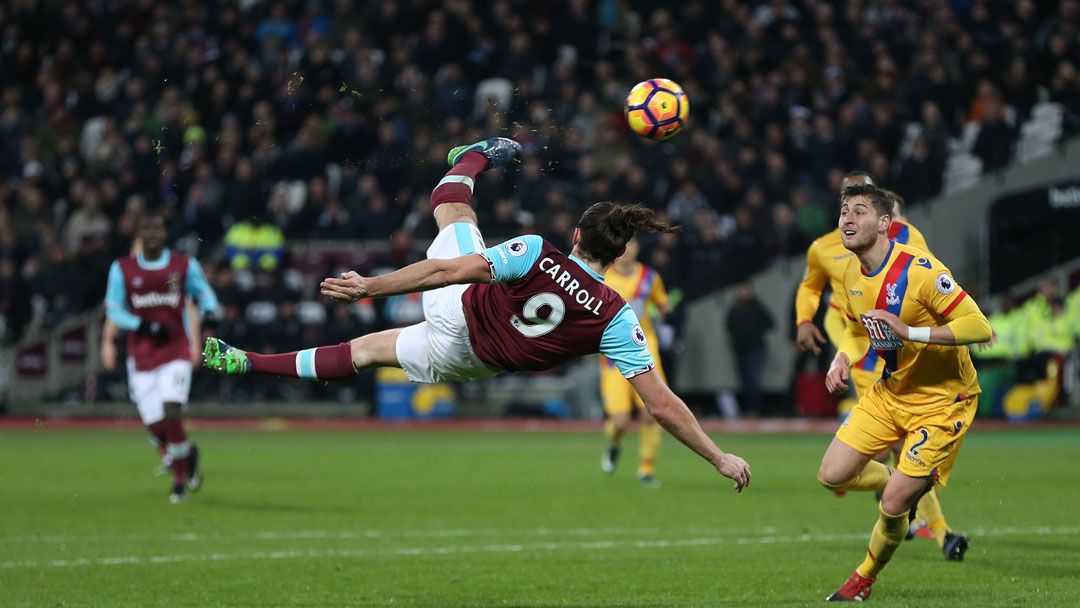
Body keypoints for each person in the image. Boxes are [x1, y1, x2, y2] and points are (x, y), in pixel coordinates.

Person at [204, 138, 751, 491]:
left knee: (452, 208)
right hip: (473, 361)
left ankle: (476, 154)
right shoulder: (617, 317)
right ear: (618, 254)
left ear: (577, 236)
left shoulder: (538, 251)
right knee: (369, 353)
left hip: (459, 313)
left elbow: (446, 273)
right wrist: (717, 456)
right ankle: (245, 361)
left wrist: (370, 286)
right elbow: (661, 405)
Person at [818, 184, 992, 601]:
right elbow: (859, 330)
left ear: (884, 224)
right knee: (831, 476)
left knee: (893, 505)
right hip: (891, 393)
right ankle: (906, 479)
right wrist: (842, 358)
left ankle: (862, 578)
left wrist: (909, 330)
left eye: (859, 211)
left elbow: (980, 326)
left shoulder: (921, 269)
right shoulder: (848, 272)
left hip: (942, 401)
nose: (847, 218)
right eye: (844, 211)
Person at [104, 213, 220, 503]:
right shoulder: (122, 269)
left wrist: (209, 311)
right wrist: (141, 325)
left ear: (164, 232)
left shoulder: (183, 265)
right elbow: (113, 309)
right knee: (156, 427)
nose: (153, 234)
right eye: (147, 229)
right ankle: (188, 454)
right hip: (141, 355)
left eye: (157, 228)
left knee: (172, 411)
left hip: (175, 351)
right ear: (140, 234)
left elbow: (205, 294)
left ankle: (179, 483)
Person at [598, 237, 670, 486]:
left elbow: (663, 305)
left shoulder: (650, 277)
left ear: (638, 248)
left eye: (632, 246)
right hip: (613, 356)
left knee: (652, 413)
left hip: (645, 351)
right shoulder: (603, 277)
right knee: (620, 421)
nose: (628, 251)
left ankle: (646, 468)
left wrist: (663, 311)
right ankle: (614, 442)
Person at [726, 282, 774, 418]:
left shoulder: (757, 307)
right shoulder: (734, 309)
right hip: (740, 350)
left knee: (753, 379)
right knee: (745, 380)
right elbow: (729, 327)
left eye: (746, 290)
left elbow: (770, 323)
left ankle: (755, 409)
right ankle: (748, 409)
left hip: (756, 349)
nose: (744, 293)